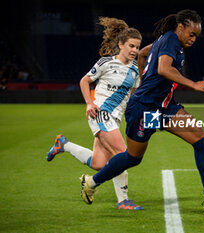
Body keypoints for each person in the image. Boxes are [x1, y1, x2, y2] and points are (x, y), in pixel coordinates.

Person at [80, 9, 204, 212]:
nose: (194, 39)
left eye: (196, 36)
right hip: (144, 108)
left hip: (164, 106)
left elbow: (142, 54)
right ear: (180, 27)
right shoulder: (171, 40)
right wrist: (192, 84)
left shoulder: (167, 41)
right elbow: (165, 69)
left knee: (200, 139)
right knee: (132, 158)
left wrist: (142, 80)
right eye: (191, 34)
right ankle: (92, 183)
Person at [46, 17, 143, 210]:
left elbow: (132, 97)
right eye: (131, 46)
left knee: (99, 164)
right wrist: (89, 103)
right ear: (120, 44)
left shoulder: (135, 71)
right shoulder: (106, 63)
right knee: (123, 155)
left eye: (137, 47)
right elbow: (84, 81)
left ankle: (64, 145)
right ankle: (123, 201)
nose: (134, 50)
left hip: (115, 118)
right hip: (101, 113)